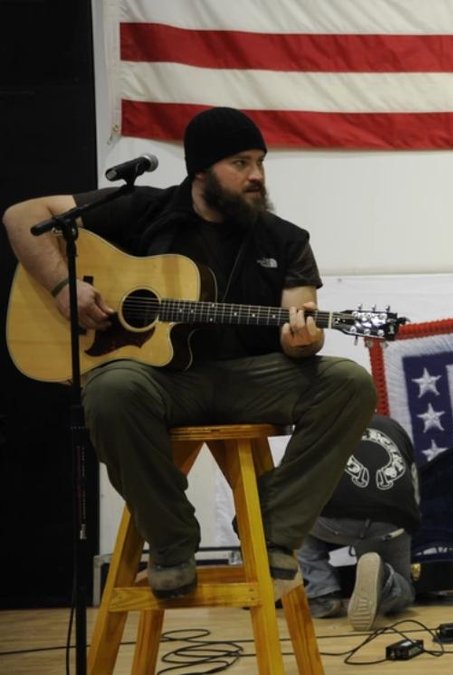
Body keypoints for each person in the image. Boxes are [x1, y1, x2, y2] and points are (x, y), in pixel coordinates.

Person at [2, 106, 377, 600]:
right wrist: (62, 286)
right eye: (240, 163)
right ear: (201, 169)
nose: (257, 176)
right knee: (111, 388)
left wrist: (302, 338)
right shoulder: (144, 210)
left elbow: (298, 312)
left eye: (260, 162)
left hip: (249, 379)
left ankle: (274, 533)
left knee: (349, 382)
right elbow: (20, 215)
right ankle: (172, 542)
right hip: (164, 383)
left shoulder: (283, 239)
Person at [299, 414, 419, 630]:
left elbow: (294, 481)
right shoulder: (392, 425)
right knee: (405, 589)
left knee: (290, 521)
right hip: (391, 522)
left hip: (334, 522)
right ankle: (386, 579)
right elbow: (412, 483)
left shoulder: (319, 423)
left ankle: (323, 593)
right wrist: (408, 527)